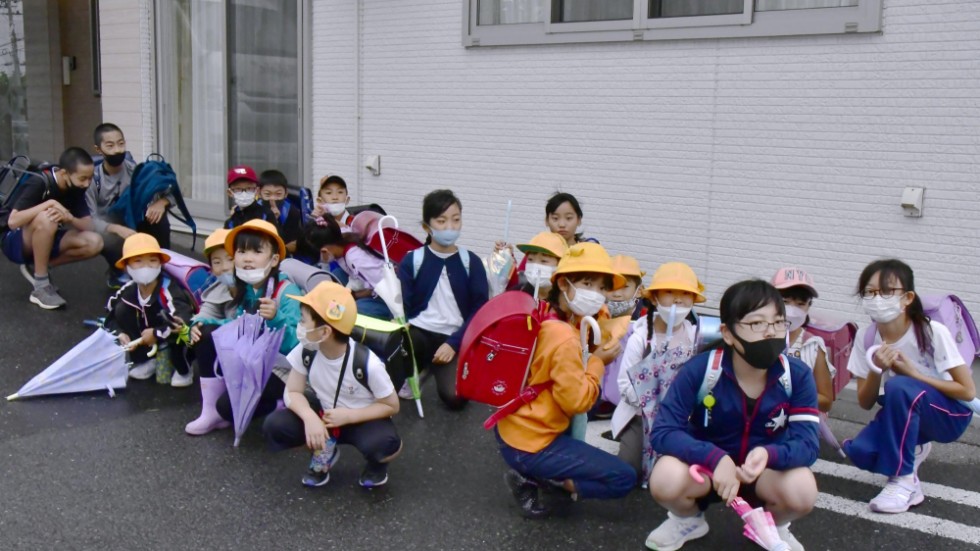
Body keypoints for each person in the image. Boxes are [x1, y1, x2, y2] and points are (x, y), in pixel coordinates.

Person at [646, 279, 819, 551]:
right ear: (727, 333)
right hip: (707, 472)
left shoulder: (796, 375)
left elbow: (808, 445)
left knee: (802, 490)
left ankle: (774, 527)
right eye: (756, 323)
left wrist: (768, 455)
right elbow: (663, 432)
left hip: (764, 474)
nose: (769, 332)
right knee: (665, 477)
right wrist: (715, 458)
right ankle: (687, 520)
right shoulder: (701, 370)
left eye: (777, 322)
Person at [497, 242, 636, 518]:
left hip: (510, 426)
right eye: (587, 283)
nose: (595, 294)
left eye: (600, 287)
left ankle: (539, 472)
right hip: (532, 442)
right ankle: (538, 478)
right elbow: (578, 402)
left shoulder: (544, 314)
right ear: (563, 283)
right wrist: (598, 362)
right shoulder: (565, 338)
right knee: (624, 478)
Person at [844, 259, 975, 514]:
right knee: (860, 452)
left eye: (886, 291)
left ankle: (903, 480)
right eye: (869, 292)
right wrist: (877, 368)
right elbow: (865, 401)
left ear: (907, 298)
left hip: (949, 414)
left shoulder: (930, 331)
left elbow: (967, 391)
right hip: (906, 409)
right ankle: (913, 447)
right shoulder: (866, 337)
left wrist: (914, 374)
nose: (877, 298)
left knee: (900, 387)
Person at [263, 281, 402, 488]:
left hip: (361, 418)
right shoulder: (307, 349)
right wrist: (310, 418)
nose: (300, 327)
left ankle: (376, 465)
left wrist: (349, 415)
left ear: (325, 332)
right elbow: (292, 391)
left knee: (383, 443)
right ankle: (325, 449)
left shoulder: (367, 363)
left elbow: (392, 405)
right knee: (276, 426)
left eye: (303, 321)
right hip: (326, 415)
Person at [184, 220, 302, 436]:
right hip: (254, 362)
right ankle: (209, 412)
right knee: (206, 332)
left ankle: (282, 402)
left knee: (230, 408)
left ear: (274, 259)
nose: (247, 258)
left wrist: (276, 318)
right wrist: (202, 326)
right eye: (241, 251)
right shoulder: (246, 289)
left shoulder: (287, 290)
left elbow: (298, 345)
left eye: (257, 251)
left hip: (283, 371)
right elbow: (239, 325)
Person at [611, 261, 704, 480]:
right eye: (669, 292)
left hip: (679, 416)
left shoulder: (695, 338)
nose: (678, 299)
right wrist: (652, 399)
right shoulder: (640, 338)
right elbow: (624, 385)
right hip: (638, 416)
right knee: (629, 469)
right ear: (654, 298)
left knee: (683, 470)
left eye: (685, 294)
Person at [397, 189, 488, 410]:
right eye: (441, 221)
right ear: (427, 227)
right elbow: (404, 305)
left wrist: (453, 344)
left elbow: (480, 310)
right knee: (397, 365)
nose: (450, 227)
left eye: (456, 220)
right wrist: (400, 325)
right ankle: (419, 366)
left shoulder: (471, 262)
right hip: (420, 331)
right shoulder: (413, 260)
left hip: (455, 336)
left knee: (455, 399)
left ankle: (432, 368)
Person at [0, 147, 103, 309]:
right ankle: (40, 287)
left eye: (90, 178)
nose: (87, 183)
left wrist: (71, 218)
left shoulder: (76, 188)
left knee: (95, 242)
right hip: (14, 240)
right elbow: (13, 221)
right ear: (64, 173)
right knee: (48, 216)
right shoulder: (39, 182)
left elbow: (88, 226)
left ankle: (38, 267)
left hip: (46, 235)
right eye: (83, 178)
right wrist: (49, 203)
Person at [104, 233, 195, 386]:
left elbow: (182, 321)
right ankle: (146, 360)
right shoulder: (127, 291)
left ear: (160, 264)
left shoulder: (169, 289)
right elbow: (110, 316)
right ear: (127, 267)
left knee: (179, 339)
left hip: (172, 335)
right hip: (148, 336)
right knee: (122, 311)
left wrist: (156, 334)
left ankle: (184, 369)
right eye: (138, 261)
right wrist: (120, 333)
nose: (146, 267)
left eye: (152, 261)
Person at [88, 123, 172, 288]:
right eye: (110, 145)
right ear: (99, 150)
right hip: (109, 226)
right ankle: (118, 269)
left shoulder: (136, 171)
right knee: (106, 236)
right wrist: (117, 229)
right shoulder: (92, 179)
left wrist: (162, 203)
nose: (117, 150)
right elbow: (89, 220)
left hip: (135, 219)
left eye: (121, 143)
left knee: (158, 218)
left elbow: (170, 192)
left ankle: (164, 267)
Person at [771, 267, 835, 412]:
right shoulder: (759, 338)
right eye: (785, 302)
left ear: (808, 306)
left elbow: (826, 401)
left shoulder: (812, 345)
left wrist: (791, 394)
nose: (792, 309)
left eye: (800, 304)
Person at [303, 216, 392, 319]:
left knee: (356, 308)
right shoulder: (341, 237)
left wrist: (354, 296)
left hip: (387, 296)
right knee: (336, 274)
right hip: (365, 281)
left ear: (324, 251)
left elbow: (383, 287)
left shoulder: (356, 258)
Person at [257, 169, 303, 254]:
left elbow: (290, 243)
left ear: (285, 194)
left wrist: (276, 221)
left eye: (278, 194)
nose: (273, 198)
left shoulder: (292, 212)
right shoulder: (254, 209)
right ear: (259, 193)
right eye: (267, 194)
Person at [510, 231, 568, 297]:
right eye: (530, 259)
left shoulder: (566, 301)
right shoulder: (516, 294)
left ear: (560, 264)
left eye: (544, 261)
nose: (535, 266)